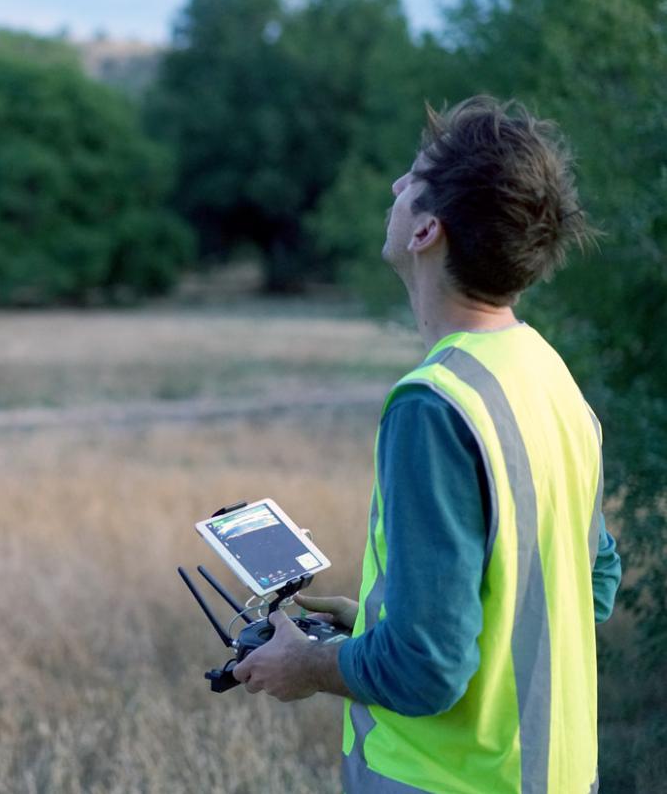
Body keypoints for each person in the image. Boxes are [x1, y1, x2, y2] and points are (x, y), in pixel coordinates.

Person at [232, 96, 622, 793]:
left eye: (410, 178)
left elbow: (426, 669)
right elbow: (588, 587)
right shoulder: (550, 378)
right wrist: (384, 621)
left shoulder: (434, 405)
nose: (393, 189)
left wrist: (309, 666)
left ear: (426, 232)